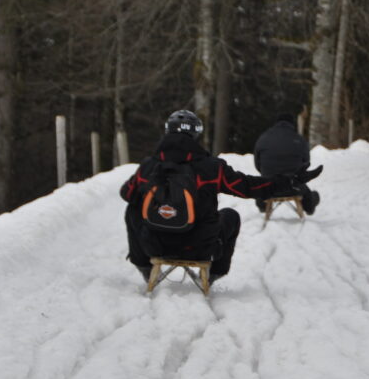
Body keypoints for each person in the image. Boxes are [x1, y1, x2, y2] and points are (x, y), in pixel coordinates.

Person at [120, 109, 304, 284]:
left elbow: (126, 193)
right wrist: (286, 182)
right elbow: (248, 187)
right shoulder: (212, 167)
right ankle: (214, 273)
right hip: (198, 248)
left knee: (133, 208)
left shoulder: (148, 166)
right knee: (231, 216)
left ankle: (144, 266)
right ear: (195, 135)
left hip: (154, 246)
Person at [253, 113, 321, 215]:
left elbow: (257, 164)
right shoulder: (299, 139)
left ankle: (262, 204)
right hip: (293, 186)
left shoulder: (263, 138)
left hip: (269, 186)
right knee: (306, 191)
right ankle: (309, 206)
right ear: (292, 124)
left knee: (260, 186)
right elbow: (306, 163)